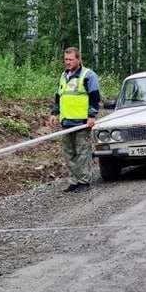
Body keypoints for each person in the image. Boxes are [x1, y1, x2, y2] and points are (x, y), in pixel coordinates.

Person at [49, 46, 100, 192]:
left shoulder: (88, 75)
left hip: (82, 122)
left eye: (71, 59)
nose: (68, 62)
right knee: (69, 153)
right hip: (66, 122)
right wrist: (54, 113)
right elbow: (59, 96)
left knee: (83, 153)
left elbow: (95, 97)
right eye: (66, 60)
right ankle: (74, 181)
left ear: (78, 59)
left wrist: (92, 116)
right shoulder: (63, 76)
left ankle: (84, 181)